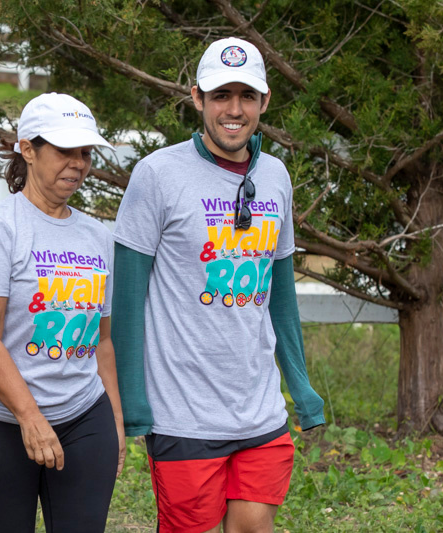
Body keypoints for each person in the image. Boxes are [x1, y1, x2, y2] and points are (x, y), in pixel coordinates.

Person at [111, 38, 326, 533]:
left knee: (253, 526)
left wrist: (300, 387)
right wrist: (133, 404)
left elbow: (281, 297)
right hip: (183, 413)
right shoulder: (157, 175)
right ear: (197, 98)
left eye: (247, 96)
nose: (234, 110)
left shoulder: (276, 176)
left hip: (260, 411)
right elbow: (127, 298)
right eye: (221, 95)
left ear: (264, 101)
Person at [0, 92, 125, 533]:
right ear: (27, 149)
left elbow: (102, 339)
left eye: (85, 153)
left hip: (84, 417)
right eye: (65, 150)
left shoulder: (97, 237)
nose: (78, 164)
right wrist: (30, 418)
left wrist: (115, 423)